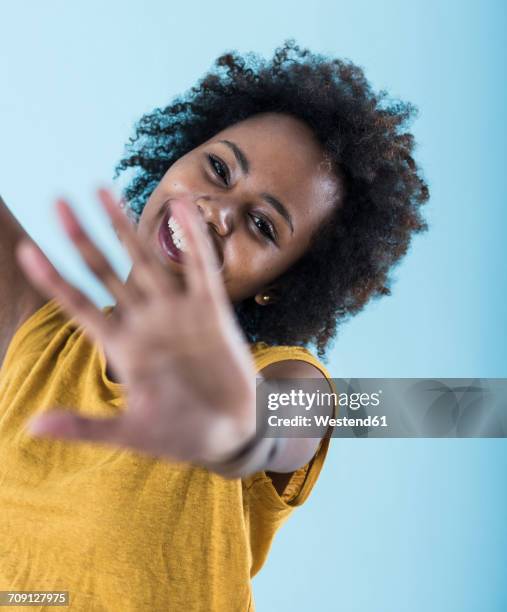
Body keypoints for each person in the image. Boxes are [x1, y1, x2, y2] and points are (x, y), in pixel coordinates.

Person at [0, 40, 429, 611]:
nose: (216, 211)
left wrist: (235, 429)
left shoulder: (283, 381)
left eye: (262, 224)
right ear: (178, 156)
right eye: (219, 168)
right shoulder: (44, 341)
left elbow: (284, 423)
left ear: (282, 282)